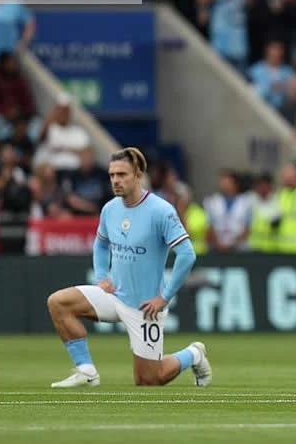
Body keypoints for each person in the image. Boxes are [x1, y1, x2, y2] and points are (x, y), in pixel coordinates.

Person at [45, 147, 211, 388]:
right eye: (112, 175)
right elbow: (101, 244)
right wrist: (102, 276)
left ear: (138, 174)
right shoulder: (110, 209)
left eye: (122, 174)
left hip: (144, 307)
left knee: (149, 379)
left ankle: (194, 354)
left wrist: (164, 298)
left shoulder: (161, 211)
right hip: (114, 295)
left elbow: (187, 254)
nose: (115, 180)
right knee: (58, 302)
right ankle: (86, 370)